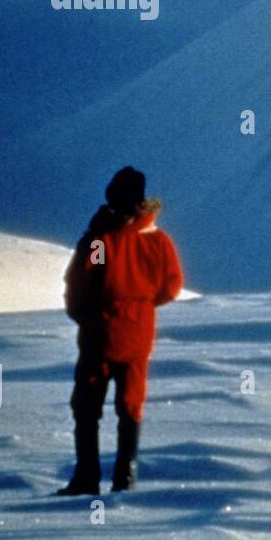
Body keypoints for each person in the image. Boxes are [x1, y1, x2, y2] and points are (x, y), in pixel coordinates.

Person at [58, 167, 183, 495]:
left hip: (101, 331)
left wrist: (84, 314)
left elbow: (85, 279)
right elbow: (172, 285)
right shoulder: (158, 240)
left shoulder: (101, 240)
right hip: (139, 332)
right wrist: (142, 305)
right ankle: (125, 477)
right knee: (131, 403)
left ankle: (87, 476)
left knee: (87, 405)